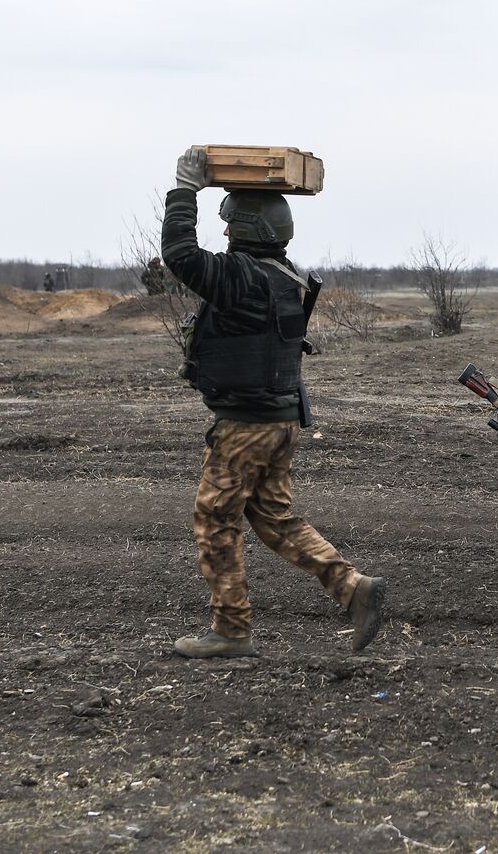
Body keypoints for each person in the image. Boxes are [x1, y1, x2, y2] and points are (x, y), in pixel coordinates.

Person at [163, 146, 386, 658]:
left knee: (216, 520)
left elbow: (178, 255)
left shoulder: (241, 278)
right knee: (272, 517)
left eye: (230, 223)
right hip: (281, 421)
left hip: (245, 426)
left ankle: (231, 630)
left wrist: (184, 189)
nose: (223, 233)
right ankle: (353, 587)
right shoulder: (287, 279)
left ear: (246, 230)